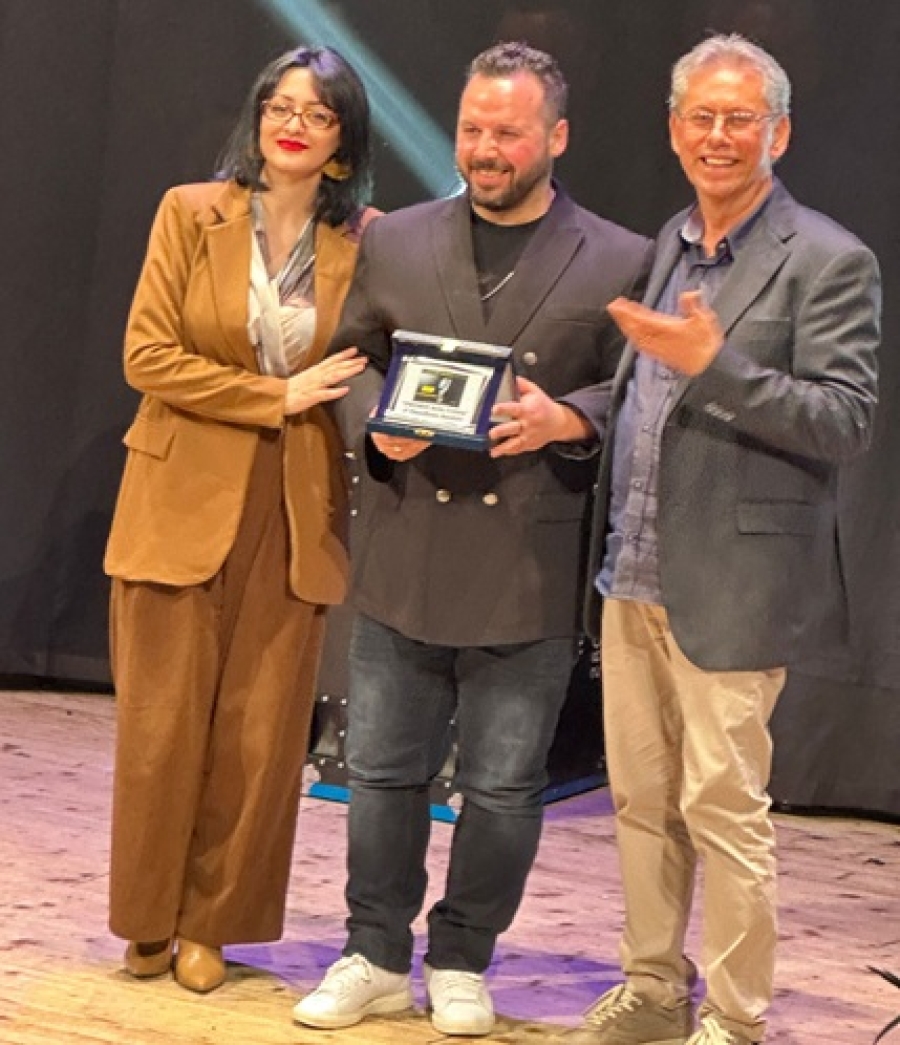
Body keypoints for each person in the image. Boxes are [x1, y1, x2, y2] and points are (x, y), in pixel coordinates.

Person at [292, 41, 652, 1037]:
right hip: (406, 546)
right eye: (473, 130)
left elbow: (636, 391)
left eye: (509, 132)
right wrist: (379, 424)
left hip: (526, 562)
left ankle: (461, 958)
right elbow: (353, 361)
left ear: (557, 137)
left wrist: (567, 417)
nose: (487, 149)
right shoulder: (399, 239)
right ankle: (373, 952)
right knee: (381, 773)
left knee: (500, 786)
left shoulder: (619, 257)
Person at [563, 33, 880, 1045]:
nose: (718, 135)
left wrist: (720, 364)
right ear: (673, 129)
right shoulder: (671, 240)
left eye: (740, 118)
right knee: (641, 801)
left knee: (722, 809)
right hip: (635, 570)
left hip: (736, 585)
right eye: (701, 116)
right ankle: (654, 987)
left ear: (778, 133)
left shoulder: (828, 258)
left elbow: (844, 420)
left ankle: (736, 1020)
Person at [103, 46, 377, 993]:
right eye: (279, 106)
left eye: (318, 114)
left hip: (295, 505)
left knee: (260, 736)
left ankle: (214, 924)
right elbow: (147, 356)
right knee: (161, 725)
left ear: (343, 145)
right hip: (176, 494)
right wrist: (276, 393)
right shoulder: (190, 212)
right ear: (258, 118)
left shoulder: (364, 243)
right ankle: (147, 915)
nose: (293, 124)